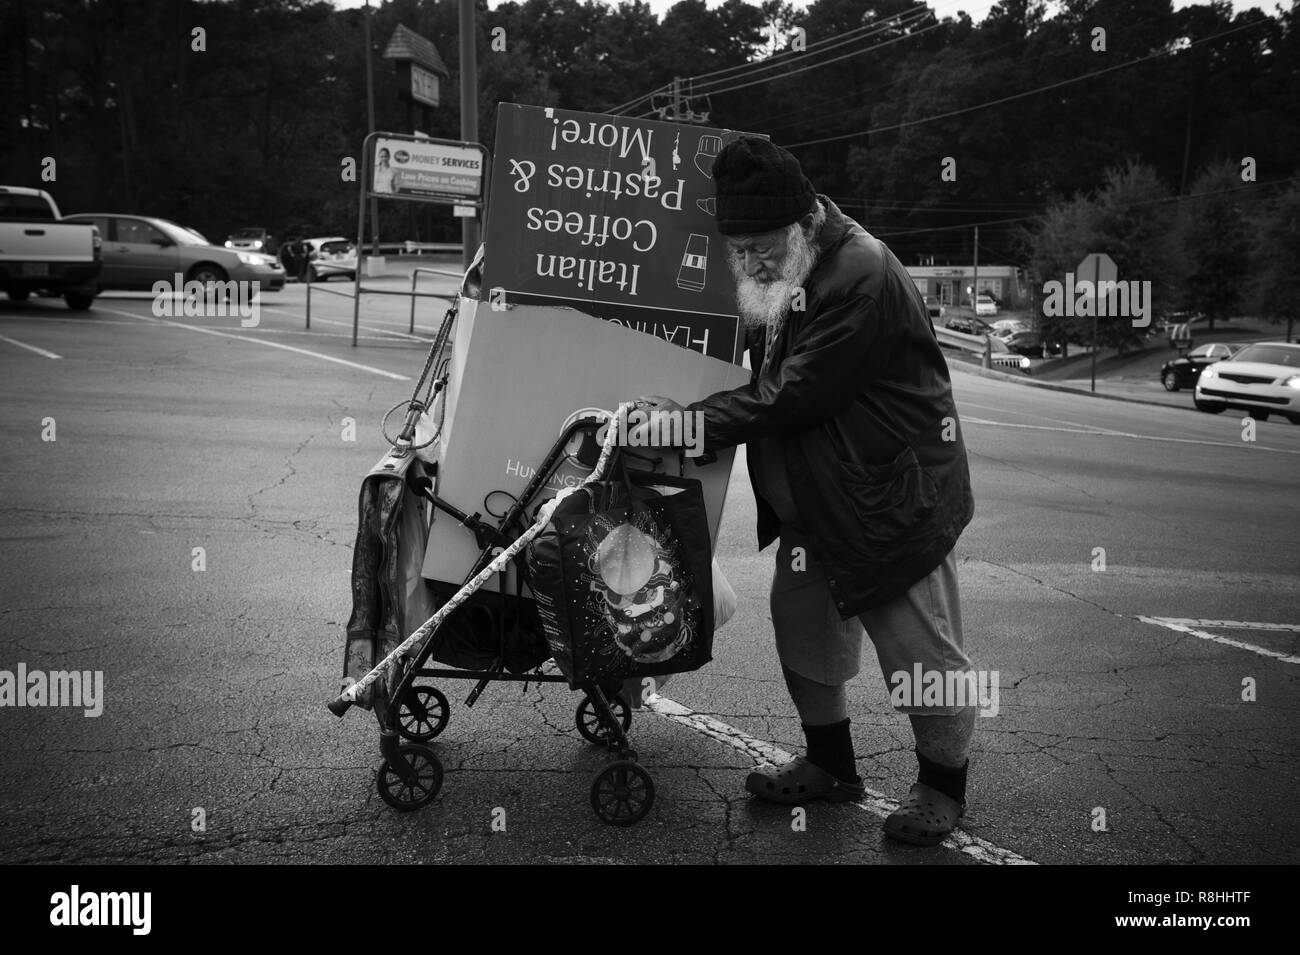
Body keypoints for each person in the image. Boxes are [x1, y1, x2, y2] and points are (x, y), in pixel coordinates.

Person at [629, 136, 978, 846]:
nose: (750, 264)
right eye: (740, 249)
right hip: (817, 505)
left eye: (760, 247)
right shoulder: (791, 269)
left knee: (921, 656)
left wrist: (684, 426)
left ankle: (944, 785)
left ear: (804, 222)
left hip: (889, 503)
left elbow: (792, 395)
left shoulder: (862, 274)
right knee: (804, 632)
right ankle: (831, 763)